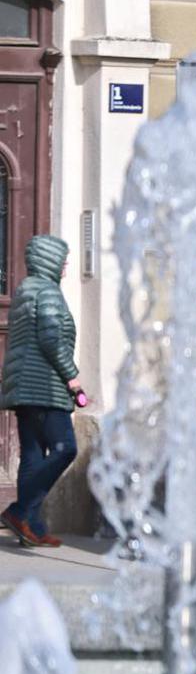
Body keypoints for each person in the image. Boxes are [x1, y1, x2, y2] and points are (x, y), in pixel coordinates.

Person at [0, 235, 86, 548]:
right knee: (66, 448)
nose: (66, 263)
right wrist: (72, 378)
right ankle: (20, 512)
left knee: (33, 457)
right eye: (62, 257)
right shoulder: (48, 292)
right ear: (49, 259)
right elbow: (52, 340)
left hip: (24, 388)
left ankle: (31, 527)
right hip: (44, 386)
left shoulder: (26, 289)